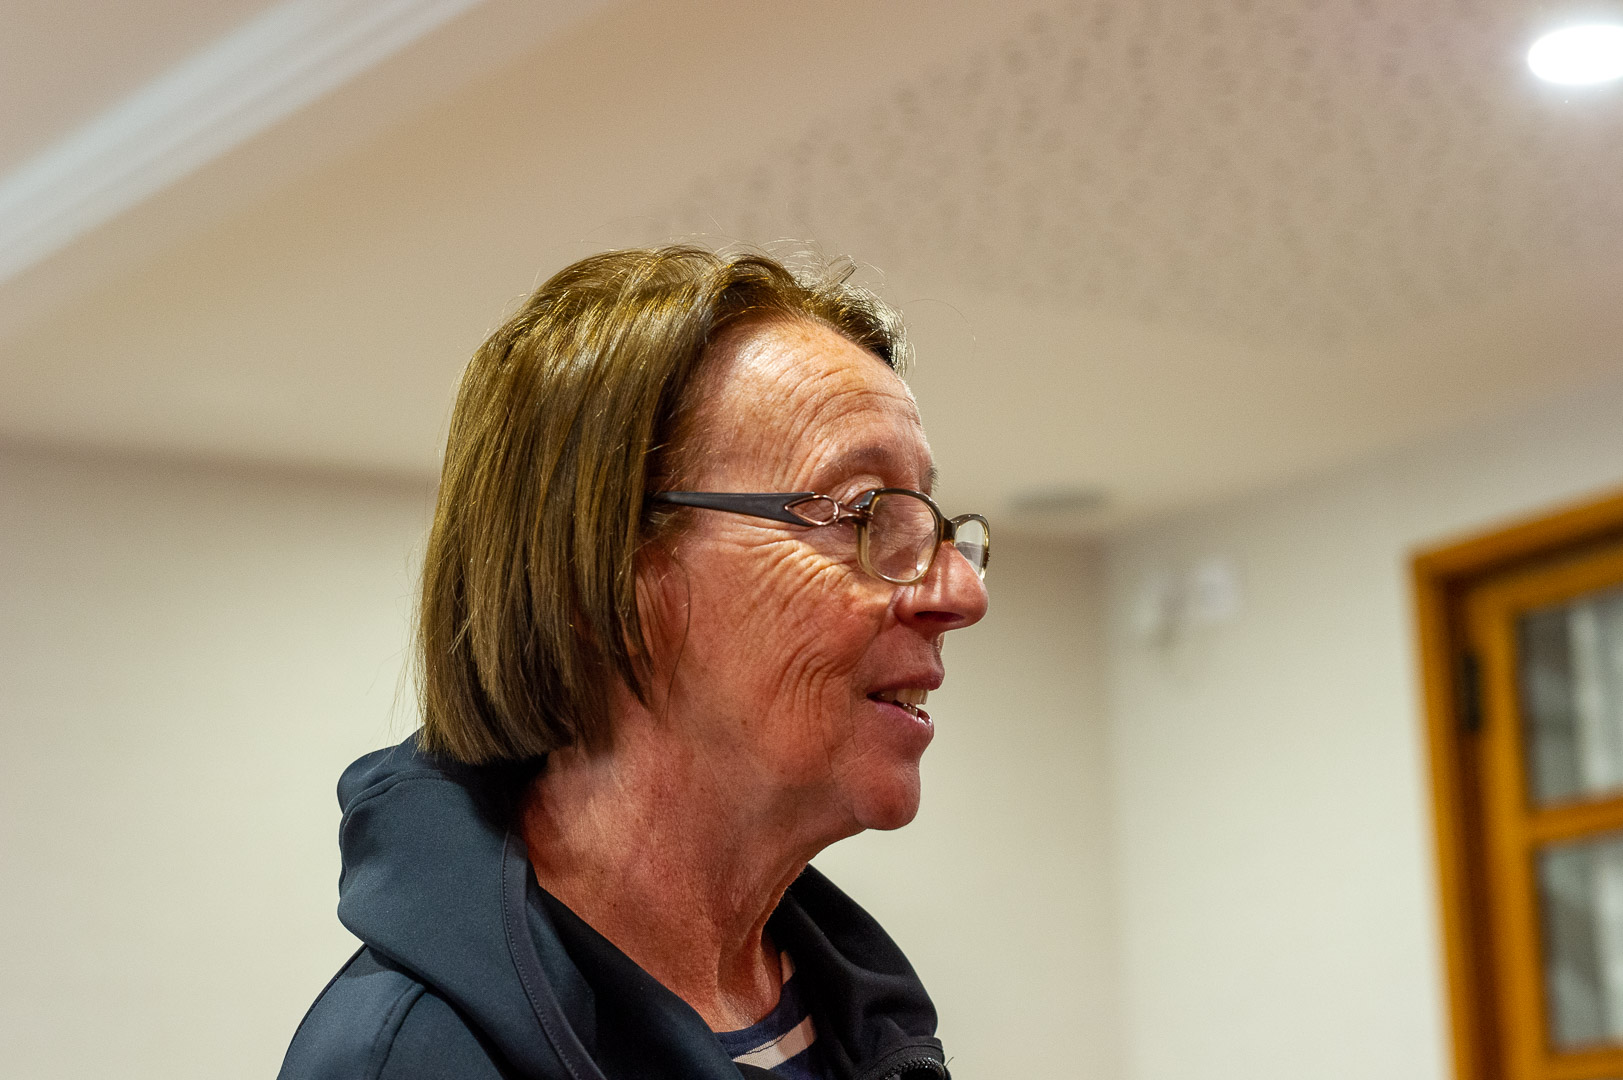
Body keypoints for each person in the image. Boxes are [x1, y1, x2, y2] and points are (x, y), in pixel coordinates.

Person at [278, 246, 991, 1080]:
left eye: (931, 526)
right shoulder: (411, 1060)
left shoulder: (861, 1021)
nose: (960, 592)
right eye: (864, 513)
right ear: (598, 577)